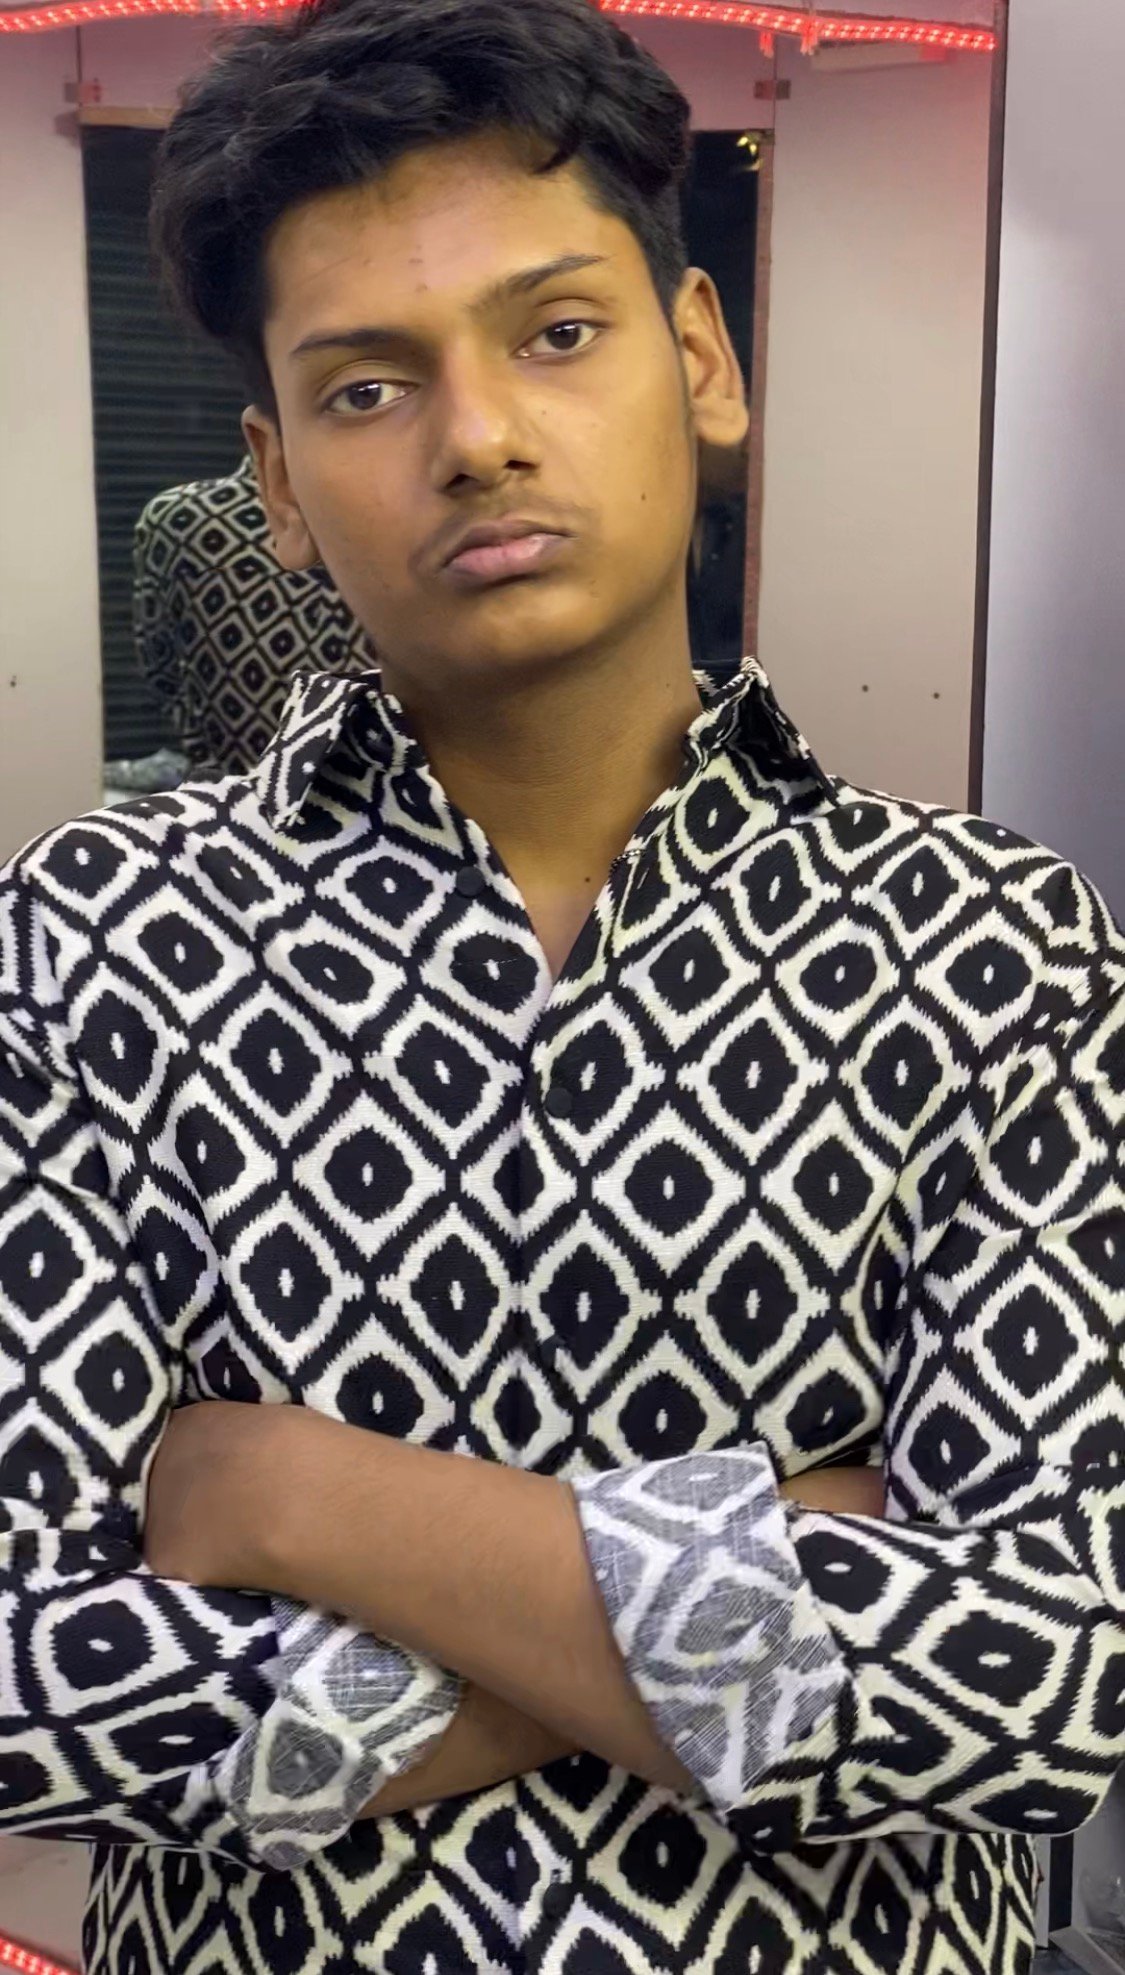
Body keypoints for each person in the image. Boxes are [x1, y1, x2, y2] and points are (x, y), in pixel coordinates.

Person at [0, 0, 1122, 1970]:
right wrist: (776, 1575)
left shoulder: (992, 948)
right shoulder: (89, 943)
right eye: (366, 387)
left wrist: (299, 1500)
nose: (479, 437)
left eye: (556, 334)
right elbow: (29, 1685)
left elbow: (1037, 1685)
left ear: (700, 359)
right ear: (275, 480)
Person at [133, 451, 372, 778]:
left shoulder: (180, 518)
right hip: (388, 784)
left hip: (237, 785)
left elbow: (160, 667)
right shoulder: (403, 511)